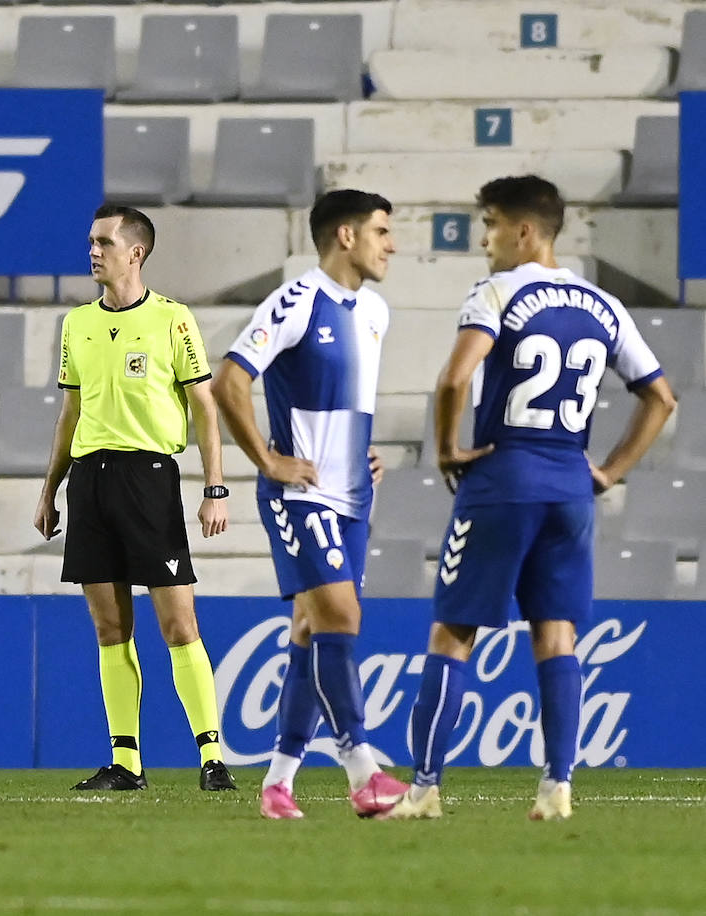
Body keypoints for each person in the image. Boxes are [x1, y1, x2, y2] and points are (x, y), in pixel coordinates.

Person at [383, 175, 675, 821]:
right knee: (556, 634)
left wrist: (447, 449)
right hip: (571, 486)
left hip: (502, 479)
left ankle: (425, 787)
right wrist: (610, 472)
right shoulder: (604, 306)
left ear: (523, 231)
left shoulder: (496, 292)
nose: (483, 241)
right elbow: (661, 396)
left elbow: (456, 377)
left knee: (453, 633)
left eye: (489, 225)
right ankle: (558, 788)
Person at [212, 189, 406, 819]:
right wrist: (267, 461)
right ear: (345, 236)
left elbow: (346, 405)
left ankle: (278, 783)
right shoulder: (296, 301)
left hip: (352, 496)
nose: (391, 244)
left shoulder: (375, 311)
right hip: (300, 496)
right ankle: (363, 771)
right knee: (342, 617)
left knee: (310, 629)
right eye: (381, 231)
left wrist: (361, 453)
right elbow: (230, 380)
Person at [34, 203, 236, 792]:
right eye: (91, 241)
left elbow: (204, 407)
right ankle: (126, 763)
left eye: (103, 242)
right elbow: (69, 412)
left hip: (149, 478)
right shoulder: (77, 324)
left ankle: (212, 757)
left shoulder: (173, 319)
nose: (93, 251)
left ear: (135, 252)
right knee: (109, 628)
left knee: (178, 623)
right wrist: (51, 490)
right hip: (90, 483)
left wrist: (214, 489)